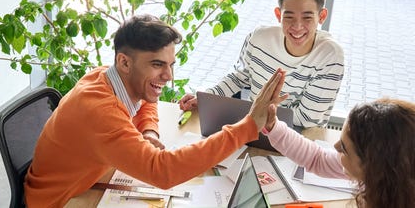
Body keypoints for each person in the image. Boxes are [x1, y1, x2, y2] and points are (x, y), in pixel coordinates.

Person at [24, 14, 288, 207]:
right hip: (60, 201)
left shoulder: (106, 77)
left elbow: (145, 99)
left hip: (87, 181)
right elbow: (163, 172)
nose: (168, 75)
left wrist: (148, 130)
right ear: (124, 62)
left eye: (171, 64)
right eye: (157, 65)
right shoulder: (99, 111)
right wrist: (247, 127)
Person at [179, 0, 344, 128]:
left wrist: (256, 113)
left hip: (297, 138)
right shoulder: (258, 38)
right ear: (278, 15)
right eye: (289, 17)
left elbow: (307, 120)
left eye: (307, 17)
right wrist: (206, 98)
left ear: (321, 17)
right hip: (253, 128)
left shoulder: (330, 55)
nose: (298, 26)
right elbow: (239, 78)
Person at [263, 98, 415, 207]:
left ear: (372, 166)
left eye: (344, 149)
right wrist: (274, 127)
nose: (335, 147)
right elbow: (317, 158)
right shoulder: (391, 179)